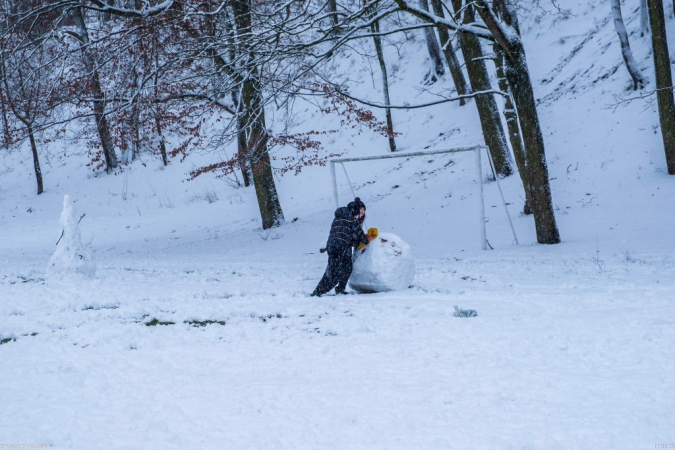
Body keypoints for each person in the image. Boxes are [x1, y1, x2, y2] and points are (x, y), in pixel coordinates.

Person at [311, 197, 373, 297]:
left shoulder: (339, 216)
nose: (360, 215)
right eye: (360, 212)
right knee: (334, 271)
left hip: (334, 245)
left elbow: (346, 235)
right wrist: (368, 238)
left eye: (363, 212)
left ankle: (340, 289)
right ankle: (318, 291)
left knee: (347, 267)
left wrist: (356, 242)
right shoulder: (352, 219)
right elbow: (362, 237)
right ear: (355, 210)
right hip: (340, 246)